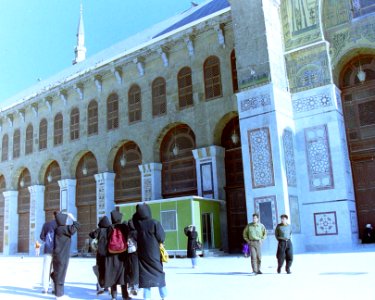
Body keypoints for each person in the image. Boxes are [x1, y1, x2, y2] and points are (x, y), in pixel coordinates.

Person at [133, 203, 167, 300]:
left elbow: (134, 219)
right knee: (159, 274)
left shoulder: (138, 225)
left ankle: (146, 298)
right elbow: (161, 237)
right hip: (155, 254)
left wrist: (138, 213)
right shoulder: (154, 223)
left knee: (145, 277)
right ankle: (163, 296)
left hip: (143, 255)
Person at [51, 212, 80, 300]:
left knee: (59, 273)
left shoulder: (58, 229)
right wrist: (73, 218)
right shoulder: (64, 229)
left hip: (57, 254)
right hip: (62, 256)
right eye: (66, 219)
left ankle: (59, 293)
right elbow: (77, 226)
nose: (67, 221)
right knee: (60, 274)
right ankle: (58, 295)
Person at [105, 210, 131, 300]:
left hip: (111, 255)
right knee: (123, 275)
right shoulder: (124, 227)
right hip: (123, 255)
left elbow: (106, 240)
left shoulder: (109, 228)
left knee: (113, 275)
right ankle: (125, 295)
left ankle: (114, 295)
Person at [89, 216, 111, 295]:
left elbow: (91, 235)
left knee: (100, 269)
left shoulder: (99, 230)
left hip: (100, 253)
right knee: (107, 269)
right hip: (109, 253)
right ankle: (107, 286)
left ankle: (100, 285)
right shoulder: (110, 229)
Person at [40, 211, 58, 294]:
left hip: (47, 250)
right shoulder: (61, 226)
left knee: (46, 269)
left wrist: (47, 241)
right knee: (55, 270)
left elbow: (42, 237)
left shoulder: (46, 224)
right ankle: (54, 288)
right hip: (57, 251)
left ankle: (45, 288)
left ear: (53, 216)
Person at [126, 218, 139, 296]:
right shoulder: (136, 233)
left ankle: (130, 286)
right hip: (135, 254)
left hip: (128, 254)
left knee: (130, 270)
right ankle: (135, 287)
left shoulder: (128, 233)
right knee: (136, 271)